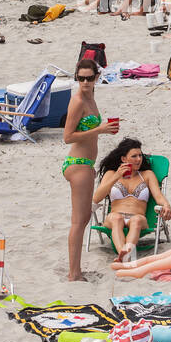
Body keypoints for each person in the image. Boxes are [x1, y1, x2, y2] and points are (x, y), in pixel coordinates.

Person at [63, 58, 120, 281]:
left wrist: (102, 129)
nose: (85, 82)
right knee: (78, 222)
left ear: (97, 78)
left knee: (84, 217)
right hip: (77, 165)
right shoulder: (78, 100)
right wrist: (100, 129)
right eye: (80, 78)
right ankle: (74, 273)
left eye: (89, 78)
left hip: (85, 165)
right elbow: (68, 137)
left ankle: (75, 270)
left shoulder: (90, 96)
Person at [94, 139, 171, 260]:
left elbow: (158, 196)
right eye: (134, 156)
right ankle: (125, 255)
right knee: (117, 218)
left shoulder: (147, 174)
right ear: (123, 159)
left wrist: (166, 205)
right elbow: (96, 198)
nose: (139, 159)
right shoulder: (111, 174)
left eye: (140, 155)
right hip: (115, 216)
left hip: (138, 217)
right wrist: (117, 176)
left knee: (136, 220)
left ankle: (124, 255)